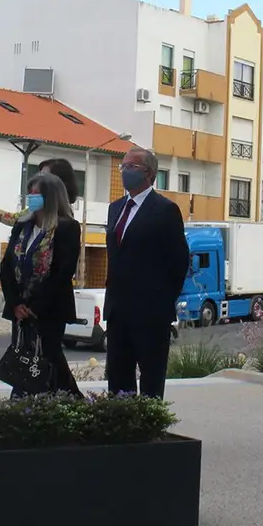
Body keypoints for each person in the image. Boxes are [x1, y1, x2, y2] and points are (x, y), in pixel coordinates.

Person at [103, 147, 189, 398]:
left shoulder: (165, 210)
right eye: (123, 166)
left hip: (150, 313)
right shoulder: (115, 208)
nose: (125, 171)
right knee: (118, 379)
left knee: (151, 380)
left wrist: (160, 299)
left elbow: (178, 261)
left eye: (132, 166)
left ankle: (149, 429)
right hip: (118, 310)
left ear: (149, 173)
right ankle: (122, 428)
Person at [0, 172, 83, 397]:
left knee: (49, 357)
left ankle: (68, 401)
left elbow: (62, 272)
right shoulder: (22, 226)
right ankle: (22, 403)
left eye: (37, 194)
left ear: (51, 197)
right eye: (30, 193)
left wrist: (34, 306)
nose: (32, 198)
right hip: (20, 309)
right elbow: (7, 265)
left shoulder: (67, 227)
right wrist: (15, 303)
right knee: (23, 357)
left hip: (49, 309)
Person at [0, 158, 80, 225]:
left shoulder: (66, 223)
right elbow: (13, 219)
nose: (38, 181)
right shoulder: (34, 211)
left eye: (44, 177)